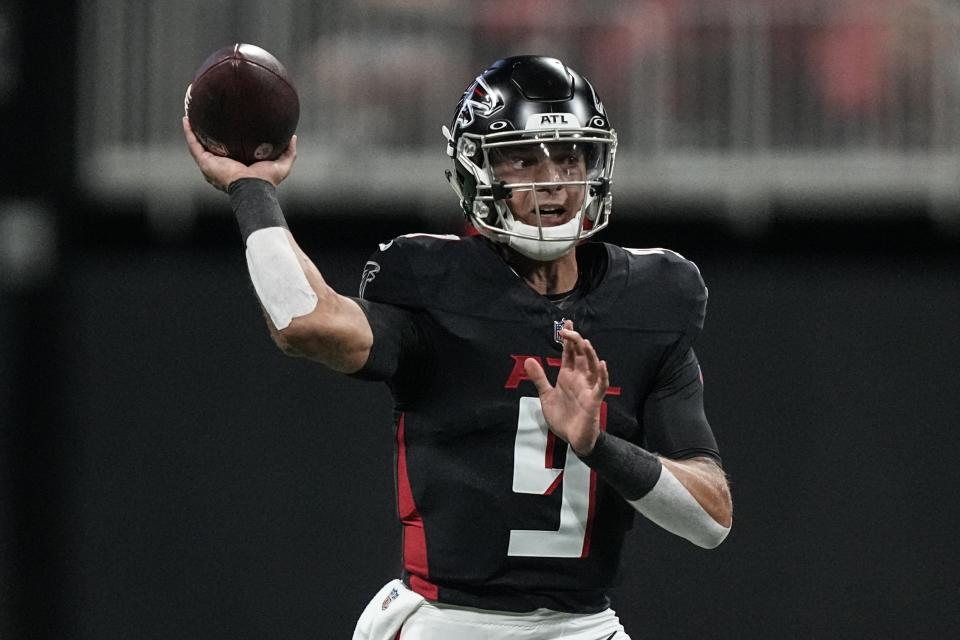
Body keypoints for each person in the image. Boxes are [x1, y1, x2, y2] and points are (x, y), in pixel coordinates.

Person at [183, 55, 732, 640]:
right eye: (522, 158)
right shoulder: (436, 284)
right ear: (478, 171)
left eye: (569, 156)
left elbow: (711, 519)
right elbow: (302, 321)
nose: (551, 181)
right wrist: (251, 190)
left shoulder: (651, 299)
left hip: (586, 626)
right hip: (449, 622)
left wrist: (600, 445)